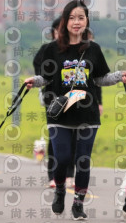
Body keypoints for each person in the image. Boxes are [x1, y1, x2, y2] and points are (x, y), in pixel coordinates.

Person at [26, 0, 126, 221]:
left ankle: (78, 203)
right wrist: (33, 82)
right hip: (60, 114)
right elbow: (45, 78)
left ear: (86, 21)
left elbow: (100, 78)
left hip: (87, 114)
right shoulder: (52, 49)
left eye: (81, 18)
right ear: (65, 21)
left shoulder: (93, 49)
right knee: (62, 157)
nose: (76, 22)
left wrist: (119, 76)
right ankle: (60, 190)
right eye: (72, 18)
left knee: (83, 160)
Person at [33, 18, 103, 188]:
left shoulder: (84, 52)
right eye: (58, 29)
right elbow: (41, 72)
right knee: (57, 142)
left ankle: (70, 175)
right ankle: (53, 176)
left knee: (74, 141)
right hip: (55, 101)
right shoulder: (48, 49)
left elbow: (95, 81)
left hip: (80, 103)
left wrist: (99, 101)